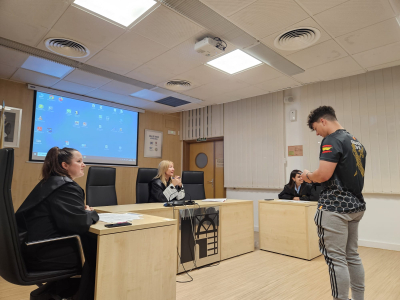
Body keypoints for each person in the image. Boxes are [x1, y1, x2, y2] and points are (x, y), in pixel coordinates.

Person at [15, 147, 99, 300]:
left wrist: (81, 212)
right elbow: (79, 224)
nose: (84, 165)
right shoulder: (66, 187)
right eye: (79, 161)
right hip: (42, 254)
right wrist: (91, 213)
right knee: (97, 256)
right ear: (64, 165)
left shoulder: (50, 182)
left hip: (28, 249)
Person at [301, 106, 366, 300]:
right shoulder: (356, 142)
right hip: (355, 206)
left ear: (323, 121)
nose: (316, 134)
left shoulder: (331, 140)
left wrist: (307, 176)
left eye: (315, 128)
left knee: (336, 260)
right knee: (352, 256)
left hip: (335, 208)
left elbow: (323, 174)